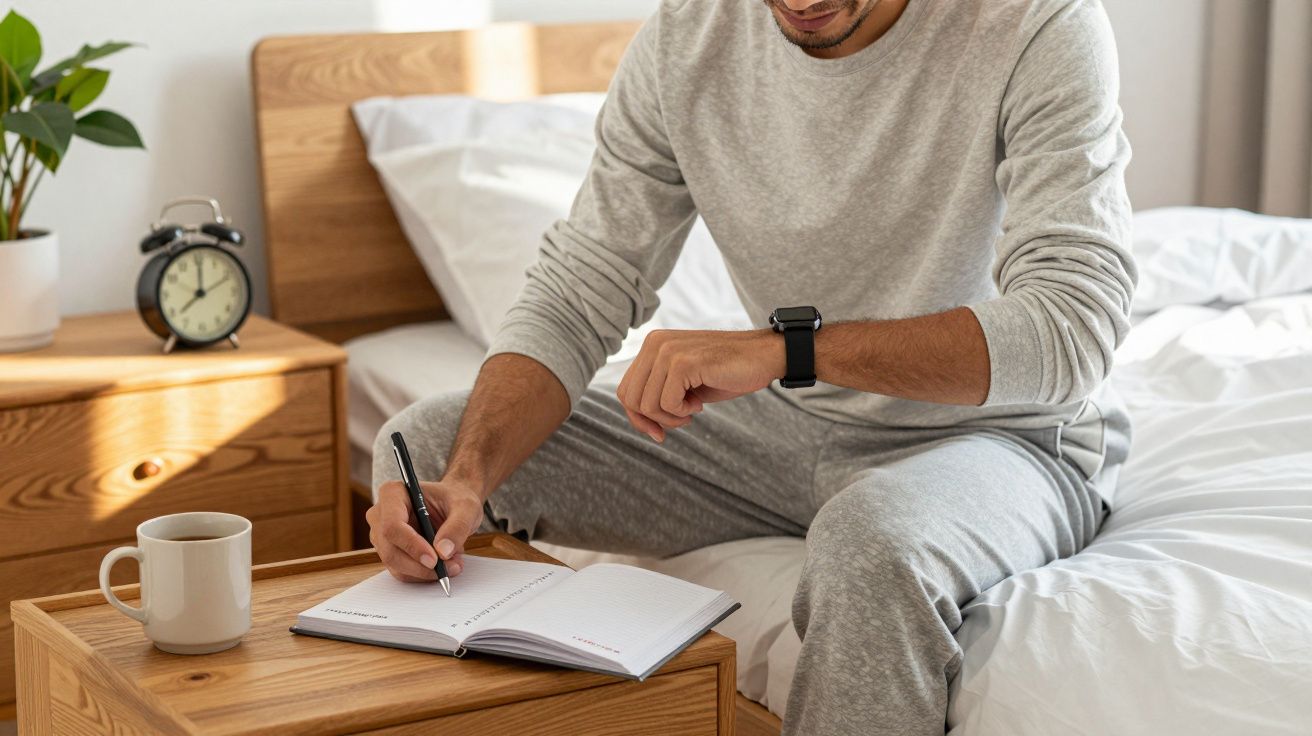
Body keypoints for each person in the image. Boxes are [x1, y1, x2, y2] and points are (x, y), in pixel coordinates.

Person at [366, 0, 1135, 733]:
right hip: (778, 434)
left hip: (1001, 442)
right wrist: (467, 478)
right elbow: (585, 284)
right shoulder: (689, 36)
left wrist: (784, 350)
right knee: (429, 447)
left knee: (871, 546)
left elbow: (1074, 327)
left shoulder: (1038, 24)